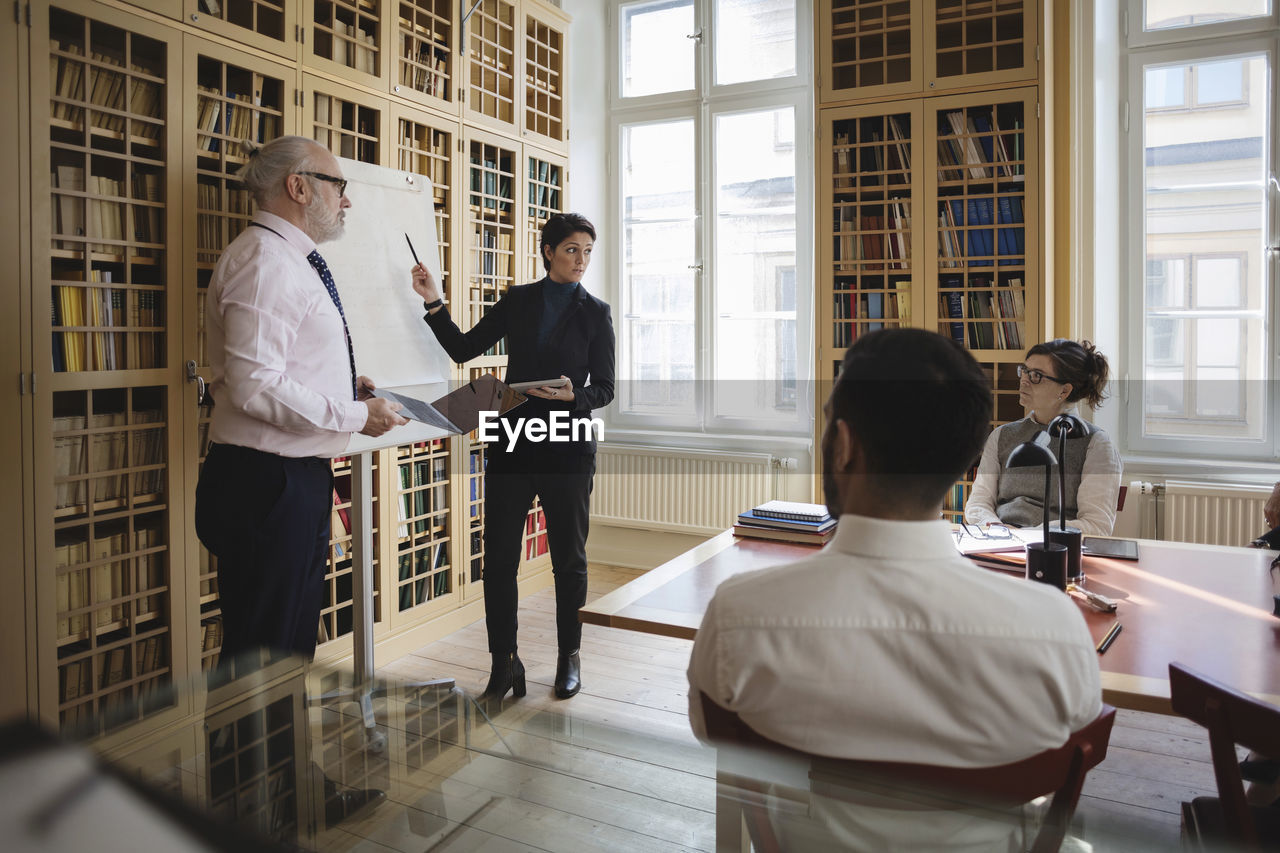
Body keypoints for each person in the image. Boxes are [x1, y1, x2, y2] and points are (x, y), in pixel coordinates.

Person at [687, 328, 1102, 850]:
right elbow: (1075, 734)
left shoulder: (740, 615)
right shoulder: (1054, 627)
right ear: (969, 456)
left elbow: (711, 732)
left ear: (842, 446)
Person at [195, 135, 408, 662]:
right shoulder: (266, 261)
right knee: (265, 656)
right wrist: (355, 413)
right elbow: (255, 385)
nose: (347, 200)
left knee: (283, 651)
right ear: (299, 187)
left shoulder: (287, 260)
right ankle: (251, 749)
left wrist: (345, 388)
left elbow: (281, 366)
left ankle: (275, 749)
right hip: (266, 484)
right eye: (338, 186)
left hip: (285, 479)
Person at [410, 212, 614, 702]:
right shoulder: (518, 300)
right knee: (498, 562)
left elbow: (604, 389)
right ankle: (505, 663)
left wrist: (573, 398)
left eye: (587, 250)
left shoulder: (596, 312)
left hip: (567, 447)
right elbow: (463, 349)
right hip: (512, 443)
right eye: (571, 249)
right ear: (548, 252)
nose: (580, 259)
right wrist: (434, 301)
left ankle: (570, 657)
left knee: (569, 560)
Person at [965, 339, 1123, 536]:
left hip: (1056, 551)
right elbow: (978, 503)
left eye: (1036, 376)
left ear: (1064, 390)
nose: (1024, 380)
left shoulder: (1097, 445)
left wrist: (1028, 535)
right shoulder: (1001, 436)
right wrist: (999, 529)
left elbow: (1097, 526)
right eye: (1024, 370)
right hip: (998, 542)